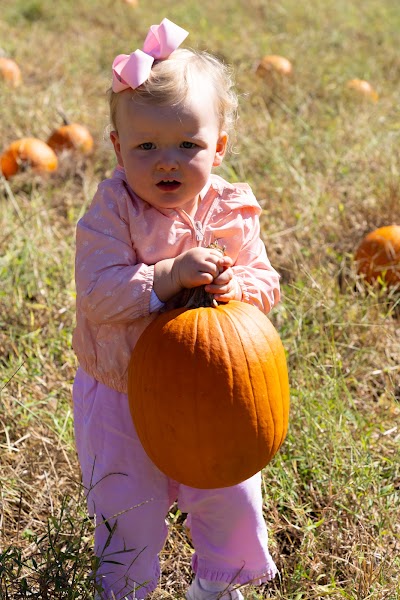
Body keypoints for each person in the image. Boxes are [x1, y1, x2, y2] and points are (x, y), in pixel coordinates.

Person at [72, 18, 280, 600]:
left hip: (217, 390)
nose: (167, 161)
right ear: (118, 148)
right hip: (122, 392)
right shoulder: (112, 210)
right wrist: (165, 277)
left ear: (219, 146)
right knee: (127, 510)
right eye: (146, 147)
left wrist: (238, 288)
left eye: (187, 145)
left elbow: (266, 282)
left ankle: (217, 585)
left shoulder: (231, 209)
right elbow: (98, 293)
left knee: (228, 494)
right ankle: (127, 589)